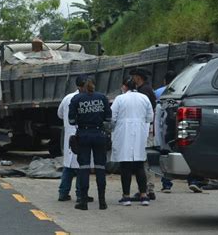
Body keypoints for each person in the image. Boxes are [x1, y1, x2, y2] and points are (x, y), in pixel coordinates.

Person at [154, 71, 205, 193]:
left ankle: (166, 185)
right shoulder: (187, 90)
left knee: (167, 153)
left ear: (165, 81)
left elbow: (158, 112)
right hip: (185, 125)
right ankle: (194, 182)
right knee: (189, 153)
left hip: (169, 127)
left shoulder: (160, 92)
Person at [68, 76, 111, 210]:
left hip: (84, 135)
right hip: (99, 134)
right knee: (100, 168)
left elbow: (71, 121)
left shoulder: (76, 99)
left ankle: (84, 201)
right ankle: (102, 202)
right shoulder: (102, 97)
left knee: (84, 168)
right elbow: (109, 117)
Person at [111, 77, 154, 206]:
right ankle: (144, 195)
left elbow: (112, 116)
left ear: (125, 87)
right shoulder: (144, 98)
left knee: (125, 166)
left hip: (123, 133)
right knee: (139, 165)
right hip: (140, 133)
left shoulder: (120, 98)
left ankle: (126, 196)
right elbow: (150, 117)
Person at [57, 78, 94, 204]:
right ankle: (81, 194)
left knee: (68, 166)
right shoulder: (88, 98)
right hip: (82, 134)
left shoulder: (67, 98)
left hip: (70, 135)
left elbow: (60, 114)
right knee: (81, 166)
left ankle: (63, 193)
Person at [129, 68, 157, 200]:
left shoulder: (143, 91)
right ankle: (148, 188)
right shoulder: (147, 89)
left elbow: (147, 113)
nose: (132, 79)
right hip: (148, 128)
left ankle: (146, 188)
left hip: (145, 130)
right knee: (145, 159)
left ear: (138, 78)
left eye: (133, 77)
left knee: (144, 159)